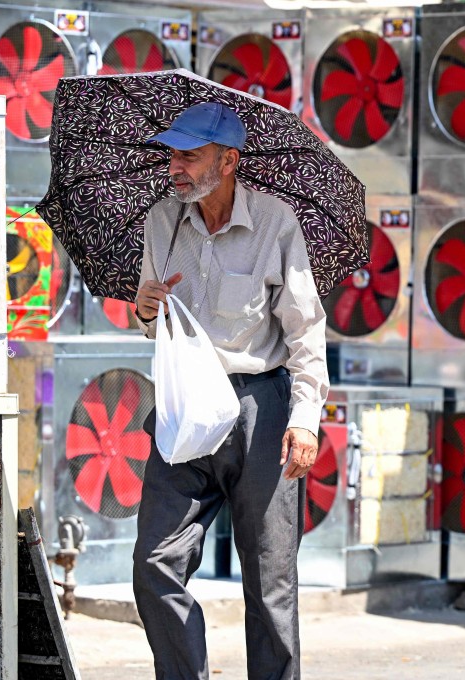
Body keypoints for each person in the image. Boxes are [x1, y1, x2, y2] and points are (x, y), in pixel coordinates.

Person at [132, 101, 329, 680]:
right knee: (154, 564)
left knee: (271, 582)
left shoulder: (276, 223)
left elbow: (304, 328)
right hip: (182, 410)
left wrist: (306, 417)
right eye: (172, 154)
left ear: (227, 160)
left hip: (258, 411)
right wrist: (144, 309)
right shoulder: (160, 221)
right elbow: (152, 319)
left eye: (189, 156)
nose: (175, 167)